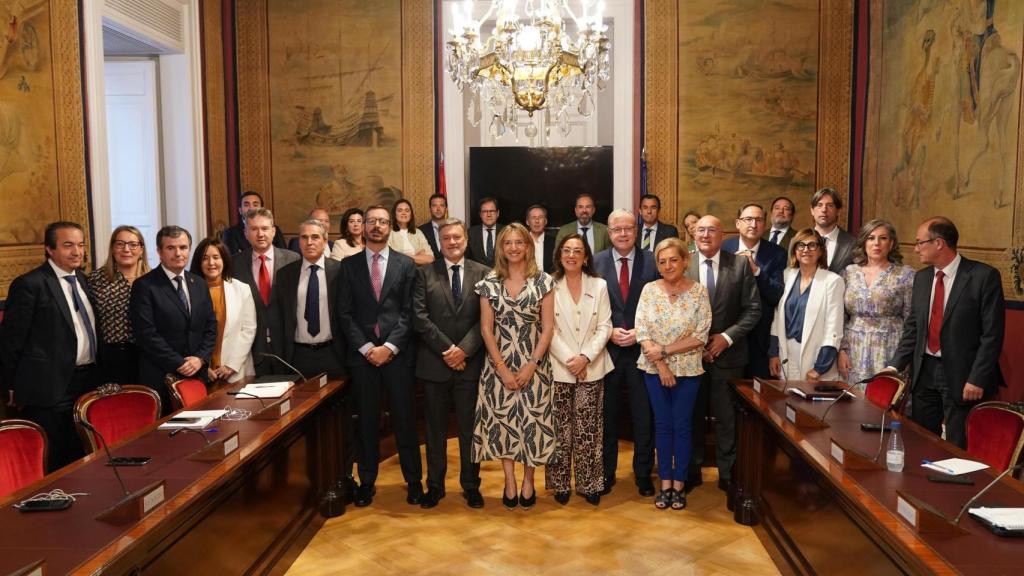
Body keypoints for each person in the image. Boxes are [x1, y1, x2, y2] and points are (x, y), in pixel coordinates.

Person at [886, 217, 1004, 448]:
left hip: (963, 376)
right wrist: (893, 367)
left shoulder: (983, 276)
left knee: (956, 446)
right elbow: (913, 328)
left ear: (939, 243)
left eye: (920, 242)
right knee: (921, 441)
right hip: (924, 371)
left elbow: (992, 335)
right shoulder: (922, 278)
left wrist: (977, 378)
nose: (916, 249)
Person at [337, 205, 422, 507]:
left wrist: (389, 347)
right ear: (363, 227)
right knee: (367, 422)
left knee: (405, 420)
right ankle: (366, 481)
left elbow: (410, 312)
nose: (376, 226)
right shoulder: (348, 266)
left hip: (397, 356)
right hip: (363, 357)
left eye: (382, 222)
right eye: (371, 221)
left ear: (390, 227)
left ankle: (414, 481)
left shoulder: (406, 264)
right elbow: (344, 313)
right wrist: (366, 347)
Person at [1, 222, 99, 470]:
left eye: (80, 245)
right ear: (50, 249)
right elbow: (12, 339)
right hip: (49, 387)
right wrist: (10, 384)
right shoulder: (30, 284)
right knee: (55, 457)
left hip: (86, 381)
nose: (77, 252)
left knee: (82, 452)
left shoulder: (83, 280)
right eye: (68, 245)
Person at [473, 223, 555, 510]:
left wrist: (532, 364)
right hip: (499, 364)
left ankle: (528, 480)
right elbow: (486, 329)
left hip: (535, 364)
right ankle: (509, 481)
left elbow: (548, 327)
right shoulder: (489, 282)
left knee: (532, 423)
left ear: (528, 246)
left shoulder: (543, 281)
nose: (513, 247)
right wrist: (501, 368)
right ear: (501, 248)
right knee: (504, 424)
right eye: (508, 242)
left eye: (519, 242)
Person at [412, 218, 490, 509]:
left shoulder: (484, 274)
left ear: (465, 241)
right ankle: (435, 486)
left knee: (470, 430)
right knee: (435, 431)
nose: (452, 242)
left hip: (470, 366)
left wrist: (464, 351)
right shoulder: (424, 274)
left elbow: (486, 320)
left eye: (457, 237)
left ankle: (471, 485)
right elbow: (419, 318)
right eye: (446, 238)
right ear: (439, 242)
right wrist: (449, 351)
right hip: (435, 364)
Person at [635, 237, 711, 510]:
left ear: (685, 261)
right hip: (654, 370)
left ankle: (679, 484)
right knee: (663, 425)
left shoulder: (699, 292)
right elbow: (642, 331)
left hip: (689, 370)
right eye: (662, 261)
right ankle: (664, 483)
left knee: (682, 426)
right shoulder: (649, 290)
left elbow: (701, 336)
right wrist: (662, 365)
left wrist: (665, 351)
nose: (668, 266)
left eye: (673, 260)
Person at [686, 215, 761, 493]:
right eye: (700, 230)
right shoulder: (683, 263)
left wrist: (726, 338)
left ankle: (728, 474)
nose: (705, 235)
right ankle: (691, 471)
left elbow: (753, 309)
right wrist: (696, 344)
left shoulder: (739, 265)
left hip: (729, 357)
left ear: (723, 235)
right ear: (694, 234)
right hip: (689, 357)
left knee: (727, 419)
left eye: (712, 230)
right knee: (691, 416)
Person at [593, 209, 658, 496]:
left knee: (644, 418)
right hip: (607, 353)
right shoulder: (595, 262)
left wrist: (640, 333)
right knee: (607, 418)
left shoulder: (653, 261)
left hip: (642, 353)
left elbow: (660, 305)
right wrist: (608, 332)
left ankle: (643, 474)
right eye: (617, 229)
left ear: (637, 230)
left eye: (628, 228)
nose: (623, 234)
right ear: (609, 233)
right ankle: (606, 474)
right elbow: (590, 308)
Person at [545, 234, 613, 506]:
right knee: (559, 431)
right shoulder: (548, 284)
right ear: (559, 255)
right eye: (566, 250)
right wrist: (570, 360)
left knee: (589, 430)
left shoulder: (599, 285)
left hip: (591, 368)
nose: (571, 255)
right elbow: (546, 328)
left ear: (586, 257)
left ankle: (589, 483)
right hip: (559, 368)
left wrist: (584, 358)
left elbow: (605, 326)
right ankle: (560, 484)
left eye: (577, 251)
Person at [130, 226, 217, 413]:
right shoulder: (145, 286)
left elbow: (210, 326)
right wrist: (179, 363)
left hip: (196, 376)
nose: (178, 253)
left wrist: (200, 358)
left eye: (183, 247)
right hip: (160, 378)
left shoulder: (199, 283)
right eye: (171, 248)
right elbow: (146, 334)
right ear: (159, 252)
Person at [837, 219, 914, 387]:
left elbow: (911, 320)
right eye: (871, 238)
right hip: (853, 350)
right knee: (852, 399)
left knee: (883, 398)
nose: (876, 243)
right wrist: (841, 350)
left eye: (883, 238)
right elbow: (839, 317)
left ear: (891, 243)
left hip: (889, 349)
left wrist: (903, 359)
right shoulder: (849, 272)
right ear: (863, 242)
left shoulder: (906, 275)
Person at [768, 229, 845, 382]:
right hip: (786, 353)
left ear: (820, 251)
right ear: (794, 250)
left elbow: (833, 328)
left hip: (816, 356)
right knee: (786, 396)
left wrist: (819, 368)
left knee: (809, 397)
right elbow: (777, 318)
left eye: (812, 245)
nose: (806, 250)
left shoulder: (833, 281)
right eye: (801, 245)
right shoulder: (786, 275)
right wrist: (773, 354)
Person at [275, 219, 346, 379]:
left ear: (325, 241)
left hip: (334, 353)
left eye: (315, 237)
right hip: (298, 355)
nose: (309, 242)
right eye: (304, 237)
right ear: (299, 242)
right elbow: (280, 317)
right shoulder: (285, 274)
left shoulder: (340, 270)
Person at [232, 208, 300, 375]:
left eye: (264, 228)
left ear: (273, 231)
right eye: (254, 229)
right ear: (246, 233)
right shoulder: (234, 264)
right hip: (252, 350)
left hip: (287, 348)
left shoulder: (293, 259)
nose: (260, 234)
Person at [722, 204, 787, 379]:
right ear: (738, 223)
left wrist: (756, 271)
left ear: (765, 224)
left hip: (761, 336)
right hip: (728, 333)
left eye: (759, 220)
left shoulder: (778, 254)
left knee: (758, 389)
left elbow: (778, 295)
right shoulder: (723, 248)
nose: (753, 224)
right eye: (748, 219)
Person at [88, 225, 150, 385]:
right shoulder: (96, 279)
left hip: (149, 357)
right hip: (110, 358)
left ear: (141, 249)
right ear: (112, 248)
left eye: (133, 244)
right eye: (120, 244)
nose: (126, 249)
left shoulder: (154, 280)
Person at [189, 238, 256, 383]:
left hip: (236, 370)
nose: (211, 263)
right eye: (205, 258)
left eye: (216, 257)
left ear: (224, 260)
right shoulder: (189, 290)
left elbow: (248, 330)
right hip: (200, 371)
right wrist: (202, 365)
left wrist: (231, 365)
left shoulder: (241, 289)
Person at [222, 190, 287, 254]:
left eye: (255, 205)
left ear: (262, 209)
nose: (251, 208)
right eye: (246, 205)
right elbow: (231, 259)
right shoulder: (230, 233)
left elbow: (284, 255)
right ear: (240, 210)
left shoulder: (274, 230)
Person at [810, 187, 855, 274]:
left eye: (830, 205)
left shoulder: (853, 243)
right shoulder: (797, 240)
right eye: (819, 205)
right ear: (812, 211)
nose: (824, 210)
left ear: (838, 211)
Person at [388, 198, 434, 265]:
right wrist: (418, 255)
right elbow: (390, 258)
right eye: (400, 210)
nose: (404, 213)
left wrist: (404, 255)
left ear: (411, 214)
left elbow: (430, 258)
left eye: (407, 210)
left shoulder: (418, 232)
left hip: (418, 271)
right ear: (394, 214)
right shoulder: (388, 233)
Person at [467, 197, 504, 267]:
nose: (489, 215)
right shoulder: (470, 233)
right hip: (477, 273)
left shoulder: (505, 231)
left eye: (492, 211)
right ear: (480, 214)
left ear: (498, 213)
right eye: (484, 211)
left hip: (501, 273)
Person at [526, 203, 556, 272]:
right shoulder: (521, 241)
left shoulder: (554, 242)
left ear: (545, 221)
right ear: (527, 221)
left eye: (540, 217)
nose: (537, 221)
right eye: (533, 217)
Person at [418, 193, 448, 259]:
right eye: (434, 206)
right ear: (430, 209)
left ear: (446, 209)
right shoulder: (420, 231)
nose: (438, 209)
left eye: (441, 205)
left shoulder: (453, 229)